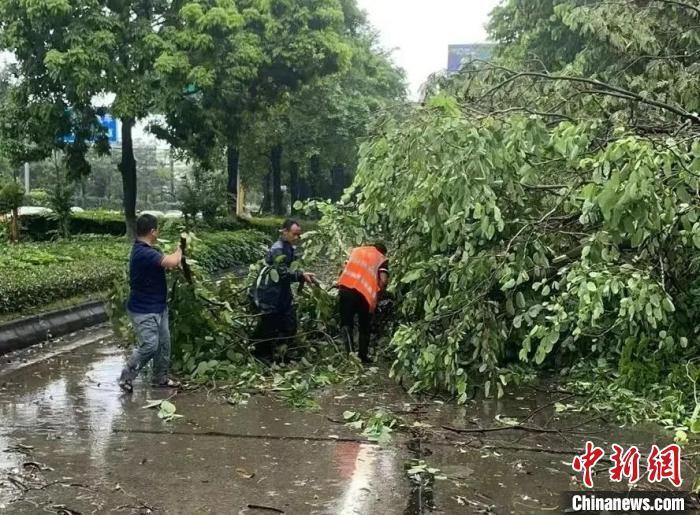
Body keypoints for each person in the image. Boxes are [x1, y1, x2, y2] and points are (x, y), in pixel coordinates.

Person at [118, 214, 182, 393]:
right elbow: (171, 262)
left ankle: (160, 378)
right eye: (157, 229)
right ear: (153, 231)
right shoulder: (143, 252)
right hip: (143, 310)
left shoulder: (148, 250)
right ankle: (126, 377)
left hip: (158, 307)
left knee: (164, 344)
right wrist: (180, 249)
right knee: (150, 345)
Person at [250, 219, 316, 362]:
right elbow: (282, 273)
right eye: (294, 234)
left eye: (299, 235)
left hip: (282, 293)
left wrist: (303, 275)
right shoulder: (277, 249)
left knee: (289, 323)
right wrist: (300, 276)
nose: (297, 238)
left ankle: (282, 353)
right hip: (268, 294)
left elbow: (292, 269)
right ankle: (262, 357)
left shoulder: (289, 247)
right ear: (284, 232)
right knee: (268, 326)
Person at [336, 243, 389, 364]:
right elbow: (383, 280)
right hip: (364, 294)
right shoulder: (381, 258)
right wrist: (379, 295)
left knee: (346, 323)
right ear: (382, 252)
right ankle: (363, 356)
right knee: (364, 326)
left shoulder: (356, 251)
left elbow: (345, 269)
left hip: (346, 289)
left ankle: (350, 355)